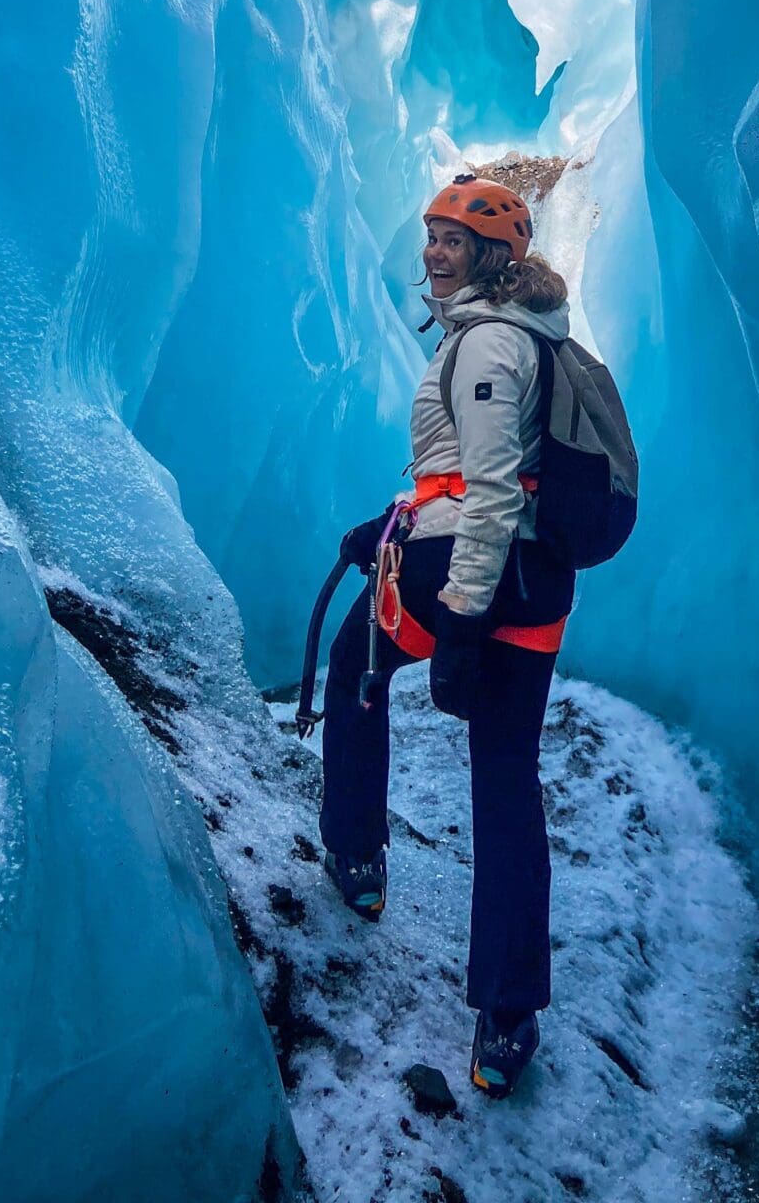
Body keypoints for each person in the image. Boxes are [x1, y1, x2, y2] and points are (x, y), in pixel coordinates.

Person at [318, 175, 574, 1099]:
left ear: (493, 259)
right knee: (505, 780)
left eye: (454, 241)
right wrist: (383, 520)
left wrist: (460, 619)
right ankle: (509, 1016)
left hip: (472, 575)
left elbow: (490, 493)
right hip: (532, 586)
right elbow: (469, 477)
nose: (434, 252)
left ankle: (356, 851)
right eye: (430, 235)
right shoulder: (523, 335)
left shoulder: (487, 346)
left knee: (355, 667)